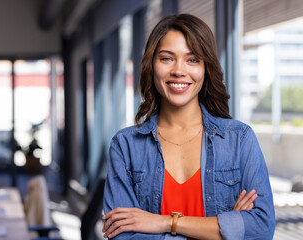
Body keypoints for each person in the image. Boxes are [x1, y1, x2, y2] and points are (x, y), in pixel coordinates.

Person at [102, 13, 275, 239]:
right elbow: (123, 236)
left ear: (206, 68)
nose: (179, 71)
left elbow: (261, 227)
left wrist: (165, 222)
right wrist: (222, 229)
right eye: (166, 58)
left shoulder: (239, 139)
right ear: (151, 65)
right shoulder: (125, 146)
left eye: (192, 60)